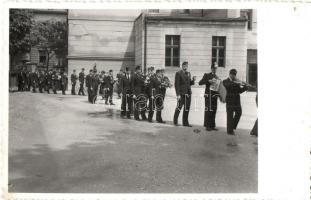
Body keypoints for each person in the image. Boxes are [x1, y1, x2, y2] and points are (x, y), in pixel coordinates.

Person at [223, 69, 248, 136]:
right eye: (232, 74)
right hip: (230, 101)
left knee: (239, 113)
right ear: (229, 74)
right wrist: (237, 82)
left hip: (237, 101)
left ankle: (232, 126)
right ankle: (229, 131)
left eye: (234, 75)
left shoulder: (236, 82)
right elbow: (228, 86)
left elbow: (239, 90)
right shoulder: (225, 81)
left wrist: (245, 87)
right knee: (230, 116)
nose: (233, 76)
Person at [173, 61, 195, 127]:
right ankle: (175, 121)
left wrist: (193, 80)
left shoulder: (188, 73)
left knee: (187, 108)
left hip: (188, 94)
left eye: (187, 66)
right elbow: (176, 84)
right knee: (179, 108)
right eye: (184, 65)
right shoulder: (178, 73)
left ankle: (185, 123)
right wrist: (178, 94)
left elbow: (189, 83)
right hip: (181, 94)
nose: (186, 67)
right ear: (182, 66)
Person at [198, 63, 220, 131]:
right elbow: (200, 83)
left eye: (216, 68)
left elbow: (217, 87)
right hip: (208, 95)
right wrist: (208, 81)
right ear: (211, 68)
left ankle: (212, 125)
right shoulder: (207, 75)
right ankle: (207, 125)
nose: (215, 69)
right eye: (214, 68)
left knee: (214, 110)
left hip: (214, 96)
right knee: (208, 110)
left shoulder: (217, 77)